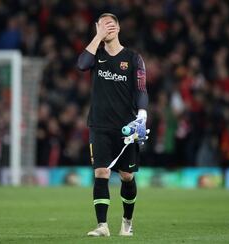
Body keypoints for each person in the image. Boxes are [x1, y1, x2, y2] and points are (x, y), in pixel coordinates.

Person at [77, 13, 149, 237]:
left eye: (110, 24)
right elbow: (81, 65)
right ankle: (102, 226)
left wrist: (142, 115)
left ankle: (127, 222)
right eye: (101, 25)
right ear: (96, 29)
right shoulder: (95, 55)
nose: (106, 28)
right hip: (99, 125)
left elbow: (141, 89)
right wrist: (97, 37)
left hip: (125, 128)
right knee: (101, 172)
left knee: (127, 176)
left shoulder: (133, 58)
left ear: (118, 28)